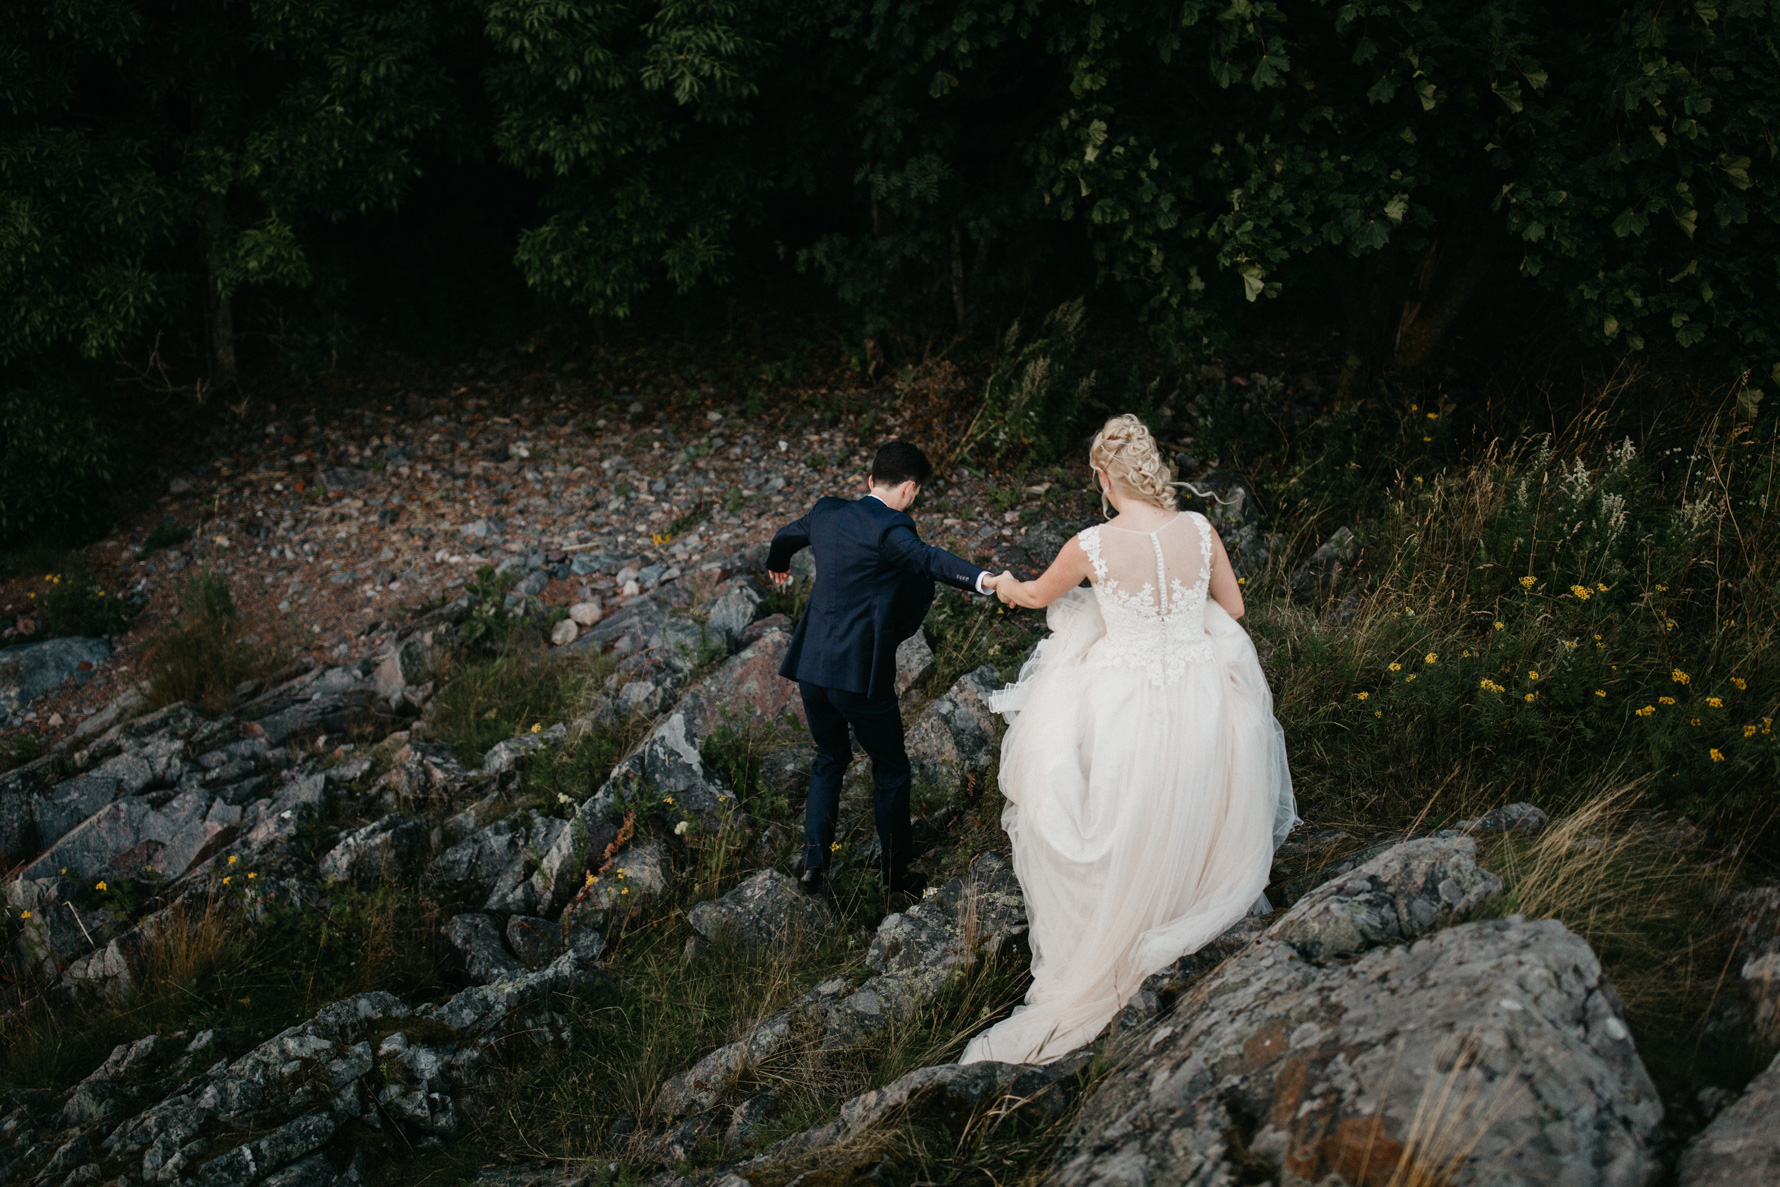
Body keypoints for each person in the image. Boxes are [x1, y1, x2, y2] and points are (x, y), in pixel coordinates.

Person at [960, 414, 1297, 1066]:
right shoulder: (1198, 528)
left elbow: (1035, 595)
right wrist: (1175, 615)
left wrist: (1001, 584)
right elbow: (1233, 609)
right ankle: (1188, 906)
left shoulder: (1091, 544)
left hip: (1128, 697)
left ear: (1105, 477)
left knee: (1116, 806)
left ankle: (1121, 935)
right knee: (1191, 797)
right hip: (1200, 688)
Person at [765, 441, 1004, 899]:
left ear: (871, 480)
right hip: (859, 676)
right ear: (910, 489)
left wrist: (777, 563)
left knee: (829, 758)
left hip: (811, 667)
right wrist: (985, 580)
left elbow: (785, 537)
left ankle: (814, 864)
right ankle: (896, 878)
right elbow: (929, 560)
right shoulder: (892, 528)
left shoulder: (827, 511)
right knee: (891, 769)